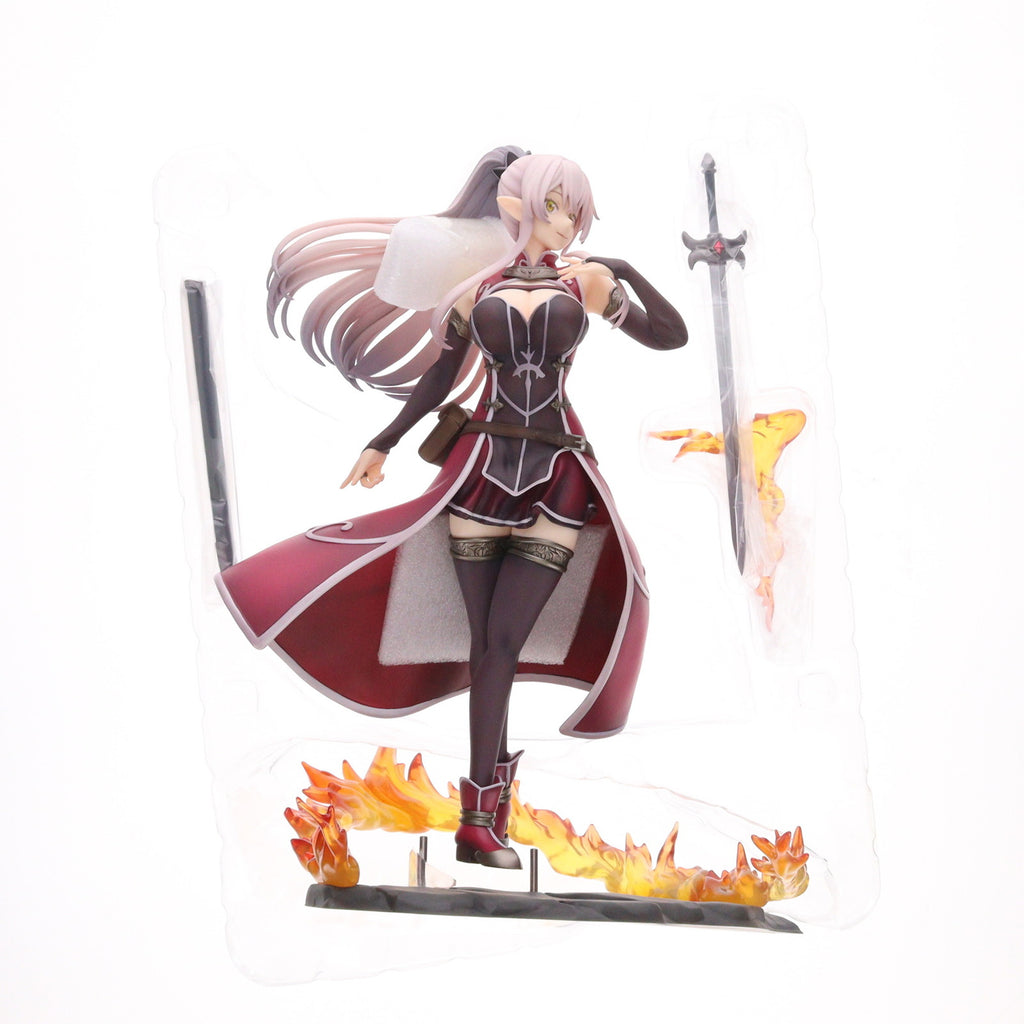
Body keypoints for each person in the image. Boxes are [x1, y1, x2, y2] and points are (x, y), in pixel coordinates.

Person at [216, 147, 687, 869]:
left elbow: (671, 335)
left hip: (558, 475)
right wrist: (383, 441)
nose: (567, 223)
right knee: (487, 646)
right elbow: (439, 378)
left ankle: (482, 816)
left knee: (505, 640)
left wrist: (626, 271)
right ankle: (480, 819)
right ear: (516, 206)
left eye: (576, 211)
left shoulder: (587, 281)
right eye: (556, 206)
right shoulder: (477, 291)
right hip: (482, 476)